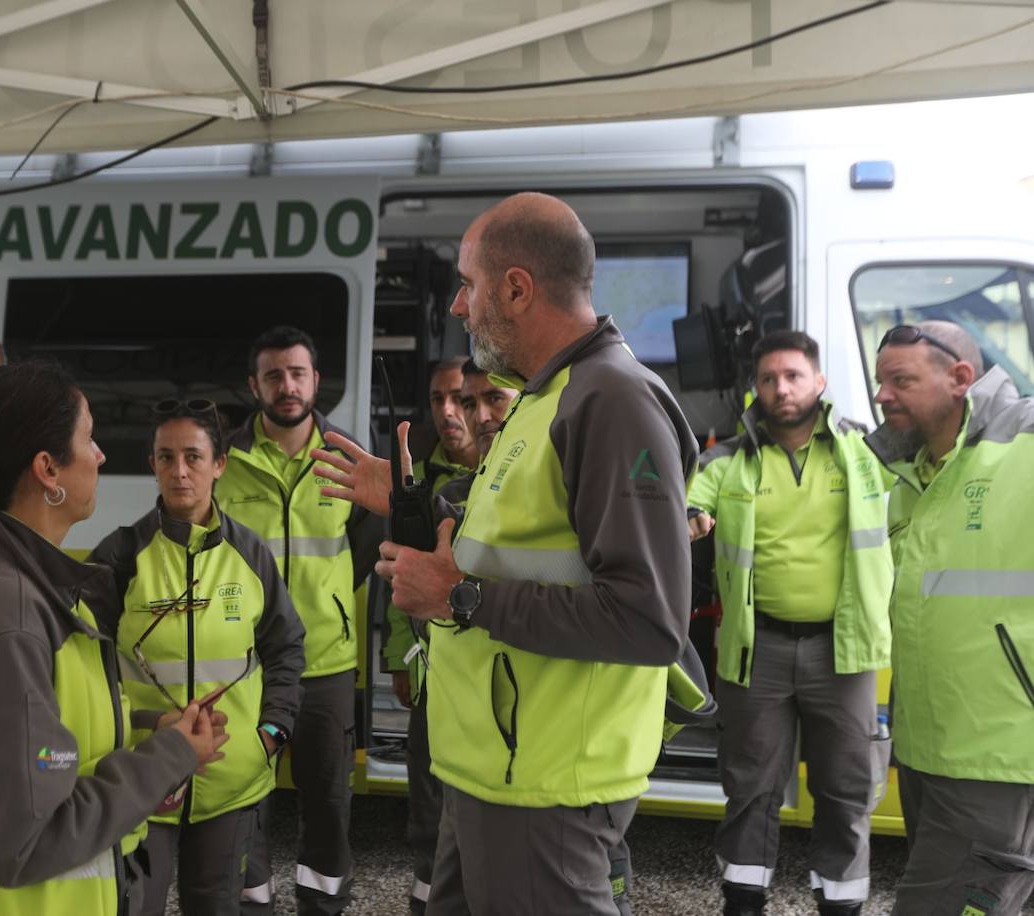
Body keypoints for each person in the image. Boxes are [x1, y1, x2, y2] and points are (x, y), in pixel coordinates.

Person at [313, 192, 698, 915]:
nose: (459, 306)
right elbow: (514, 544)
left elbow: (649, 622)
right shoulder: (542, 396)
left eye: (467, 284)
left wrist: (458, 598)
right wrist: (409, 503)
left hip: (545, 786)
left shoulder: (609, 400)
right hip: (491, 771)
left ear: (516, 288)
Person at [0, 362, 227, 914]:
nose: (100, 455)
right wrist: (168, 758)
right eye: (88, 438)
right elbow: (27, 842)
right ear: (47, 468)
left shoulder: (16, 588)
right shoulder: (11, 613)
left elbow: (44, 736)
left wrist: (145, 731)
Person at [686, 330, 893, 916]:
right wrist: (692, 517)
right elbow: (687, 499)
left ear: (819, 382)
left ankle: (842, 904)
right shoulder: (727, 458)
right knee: (750, 789)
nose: (781, 388)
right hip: (760, 651)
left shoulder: (864, 452)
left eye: (794, 376)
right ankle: (744, 903)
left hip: (843, 651)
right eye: (770, 378)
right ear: (756, 388)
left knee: (846, 791)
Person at [87, 400, 306, 916]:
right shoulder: (119, 556)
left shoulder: (251, 555)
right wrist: (140, 724)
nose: (179, 471)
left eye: (193, 456)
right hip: (144, 778)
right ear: (152, 465)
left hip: (232, 778)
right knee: (135, 907)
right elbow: (86, 669)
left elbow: (286, 647)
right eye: (165, 458)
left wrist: (272, 734)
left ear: (220, 464)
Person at [866, 320, 1034, 916]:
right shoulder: (908, 472)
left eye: (900, 380)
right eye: (880, 380)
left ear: (961, 378)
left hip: (996, 752)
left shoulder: (1025, 439)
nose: (882, 395)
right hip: (925, 748)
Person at [218, 325, 381, 915]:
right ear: (254, 385)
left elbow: (366, 548)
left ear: (316, 381)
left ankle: (324, 906)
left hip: (325, 663)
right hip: (246, 664)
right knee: (243, 795)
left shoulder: (349, 458)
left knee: (329, 802)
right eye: (273, 375)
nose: (286, 386)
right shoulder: (224, 462)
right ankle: (252, 904)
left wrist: (329, 600)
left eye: (297, 373)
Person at [381, 356, 481, 915]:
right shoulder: (415, 476)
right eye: (439, 399)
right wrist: (399, 656)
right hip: (432, 675)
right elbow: (398, 572)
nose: (448, 411)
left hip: (492, 672)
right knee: (428, 810)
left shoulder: (508, 474)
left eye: (462, 399)